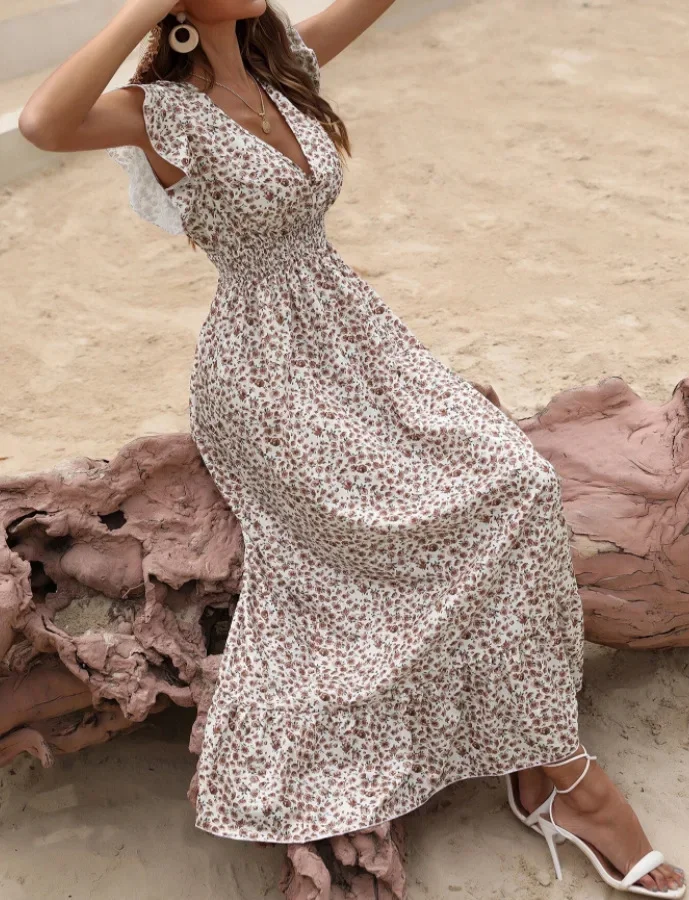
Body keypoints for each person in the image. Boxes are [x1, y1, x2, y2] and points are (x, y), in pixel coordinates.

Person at [18, 0, 685, 895]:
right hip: (263, 372)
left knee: (517, 482)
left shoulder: (280, 62)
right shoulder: (161, 110)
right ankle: (564, 778)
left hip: (354, 333)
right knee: (391, 537)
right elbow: (42, 123)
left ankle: (535, 760)